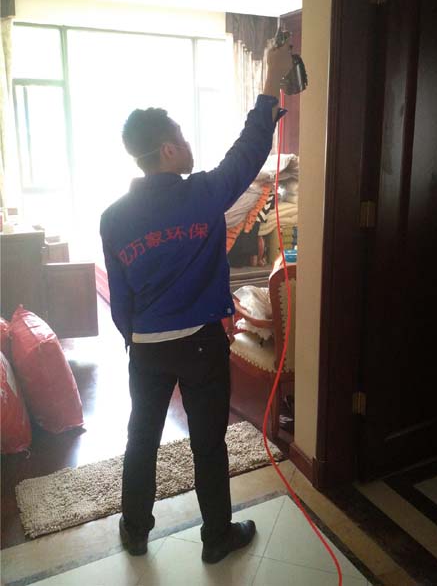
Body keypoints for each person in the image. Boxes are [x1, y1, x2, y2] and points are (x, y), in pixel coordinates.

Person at [100, 42, 292, 564]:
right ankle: (216, 538)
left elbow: (120, 298)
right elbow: (249, 151)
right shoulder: (202, 193)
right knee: (208, 442)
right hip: (202, 344)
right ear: (166, 150)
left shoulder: (113, 217)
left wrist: (135, 339)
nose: (188, 145)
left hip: (147, 347)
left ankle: (135, 530)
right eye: (181, 139)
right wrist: (270, 82)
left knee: (141, 437)